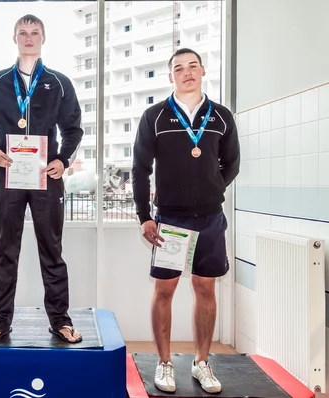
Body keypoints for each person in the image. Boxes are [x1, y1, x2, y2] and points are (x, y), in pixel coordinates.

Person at [132, 48, 240, 394]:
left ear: (203, 71)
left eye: (193, 66)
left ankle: (202, 363)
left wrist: (210, 190)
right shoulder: (156, 116)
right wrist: (144, 217)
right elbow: (139, 169)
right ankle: (164, 364)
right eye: (179, 68)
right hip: (171, 220)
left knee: (205, 288)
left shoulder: (221, 116)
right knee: (165, 289)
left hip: (210, 219)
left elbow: (231, 164)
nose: (187, 72)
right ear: (171, 77)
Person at [0, 14, 84, 344]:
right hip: (8, 176)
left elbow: (73, 129)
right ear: (15, 39)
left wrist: (62, 160)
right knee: (6, 252)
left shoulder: (59, 82)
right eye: (23, 32)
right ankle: (0, 322)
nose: (29, 37)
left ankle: (60, 320)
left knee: (52, 251)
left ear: (43, 38)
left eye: (35, 32)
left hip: (46, 178)